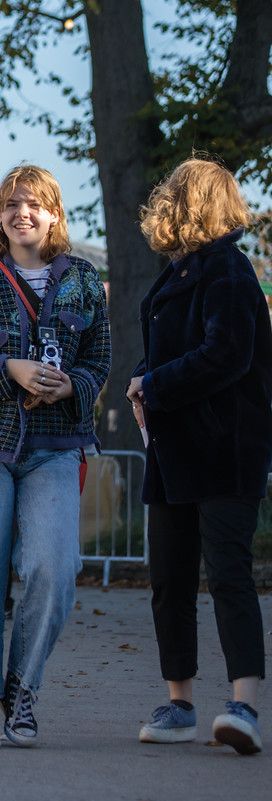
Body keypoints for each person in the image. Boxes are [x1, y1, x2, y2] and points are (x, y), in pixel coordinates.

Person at [0, 163, 109, 748]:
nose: (21, 212)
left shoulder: (83, 280)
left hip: (55, 449)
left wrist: (76, 386)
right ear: (0, 217)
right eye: (11, 204)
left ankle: (22, 686)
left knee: (53, 571)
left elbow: (99, 360)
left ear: (54, 214)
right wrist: (6, 368)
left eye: (33, 203)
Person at [128, 158, 271, 755]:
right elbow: (160, 353)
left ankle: (245, 706)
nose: (162, 202)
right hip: (173, 454)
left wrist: (154, 387)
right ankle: (179, 703)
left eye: (172, 195)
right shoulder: (176, 273)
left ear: (190, 203)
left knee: (230, 575)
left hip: (225, 452)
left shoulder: (230, 272)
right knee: (170, 580)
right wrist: (142, 379)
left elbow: (227, 356)